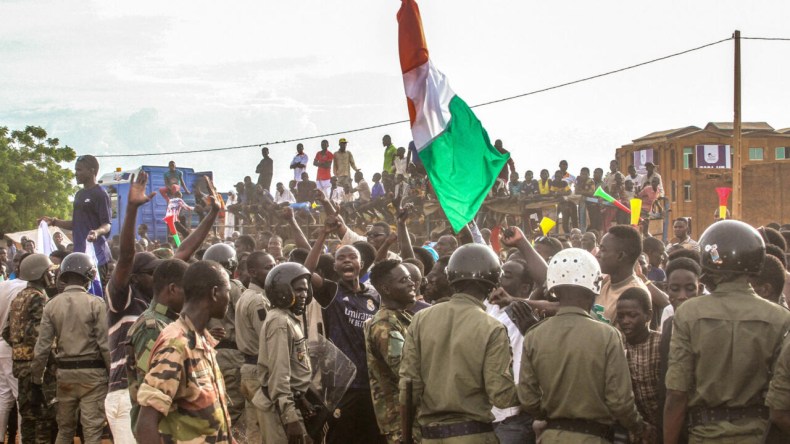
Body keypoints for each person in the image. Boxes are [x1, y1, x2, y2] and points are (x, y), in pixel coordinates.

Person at [105, 171, 218, 444]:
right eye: (152, 272)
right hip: (126, 394)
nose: (160, 276)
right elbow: (127, 257)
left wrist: (212, 215)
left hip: (159, 395)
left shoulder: (161, 304)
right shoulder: (122, 298)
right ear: (134, 275)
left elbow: (180, 258)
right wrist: (131, 208)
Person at [664, 220, 790, 443]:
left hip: (704, 435)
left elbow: (676, 393)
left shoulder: (688, 313)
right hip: (761, 434)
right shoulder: (780, 318)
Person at [519, 248, 644, 442]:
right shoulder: (608, 335)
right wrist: (639, 427)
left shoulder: (534, 335)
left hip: (551, 436)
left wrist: (547, 413)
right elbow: (620, 402)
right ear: (593, 290)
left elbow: (528, 399)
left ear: (555, 289)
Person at [400, 244, 518, 443]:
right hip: (474, 435)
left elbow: (408, 387)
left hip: (430, 436)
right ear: (493, 283)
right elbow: (502, 396)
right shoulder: (492, 327)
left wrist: (406, 438)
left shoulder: (421, 319)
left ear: (452, 278)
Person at [135, 261, 233, 443]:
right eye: (227, 292)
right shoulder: (176, 345)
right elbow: (145, 424)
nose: (230, 298)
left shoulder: (201, 340)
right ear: (214, 293)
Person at [305, 225, 384, 444]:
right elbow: (305, 273)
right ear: (335, 266)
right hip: (343, 386)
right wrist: (322, 235)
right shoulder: (332, 292)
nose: (347, 261)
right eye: (341, 258)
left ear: (361, 264)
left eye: (352, 257)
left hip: (373, 384)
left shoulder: (375, 297)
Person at [32, 253, 111, 444]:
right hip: (93, 375)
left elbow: (41, 348)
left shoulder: (51, 305)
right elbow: (105, 346)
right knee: (92, 429)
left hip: (65, 375)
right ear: (88, 275)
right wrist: (112, 373)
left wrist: (36, 380)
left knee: (65, 429)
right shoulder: (96, 304)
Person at [124, 259, 188, 434]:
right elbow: (150, 388)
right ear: (173, 289)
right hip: (160, 429)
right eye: (188, 291)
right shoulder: (152, 328)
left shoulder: (168, 322)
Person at [2, 254, 58, 443]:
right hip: (39, 370)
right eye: (49, 271)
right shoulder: (38, 298)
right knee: (44, 418)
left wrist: (20, 350)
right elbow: (40, 338)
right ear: (40, 274)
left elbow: (6, 332)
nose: (52, 275)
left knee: (27, 418)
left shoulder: (19, 297)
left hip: (21, 368)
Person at [256, 262, 315, 444]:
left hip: (290, 401)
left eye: (306, 290)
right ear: (283, 291)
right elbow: (279, 372)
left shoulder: (287, 319)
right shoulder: (280, 322)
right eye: (298, 290)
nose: (304, 295)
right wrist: (290, 417)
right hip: (280, 408)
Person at [364, 259, 416, 444]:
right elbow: (406, 372)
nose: (412, 283)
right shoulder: (385, 324)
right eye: (403, 280)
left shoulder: (401, 317)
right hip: (402, 425)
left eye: (410, 278)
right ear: (386, 289)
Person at [43, 154, 113, 284]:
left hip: (97, 256)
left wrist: (96, 232)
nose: (76, 173)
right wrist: (53, 222)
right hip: (79, 255)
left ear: (92, 171)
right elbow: (76, 224)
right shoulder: (79, 195)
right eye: (76, 170)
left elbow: (107, 224)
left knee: (96, 295)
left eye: (79, 170)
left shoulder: (100, 194)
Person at [202, 243, 246, 433]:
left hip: (209, 354)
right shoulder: (234, 287)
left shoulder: (200, 288)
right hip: (234, 355)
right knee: (233, 412)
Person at [235, 251, 276, 443]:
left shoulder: (246, 295)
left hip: (248, 369)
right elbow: (267, 338)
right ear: (252, 271)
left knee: (254, 429)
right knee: (268, 429)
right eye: (268, 267)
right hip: (258, 371)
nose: (273, 270)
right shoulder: (259, 300)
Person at [616, 287, 661, 443]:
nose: (625, 321)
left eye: (632, 315)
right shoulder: (617, 346)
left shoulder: (661, 343)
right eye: (620, 316)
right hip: (638, 431)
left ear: (648, 315)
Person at [595, 225, 651, 324]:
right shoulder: (605, 281)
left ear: (620, 256)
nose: (597, 254)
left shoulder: (635, 295)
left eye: (603, 250)